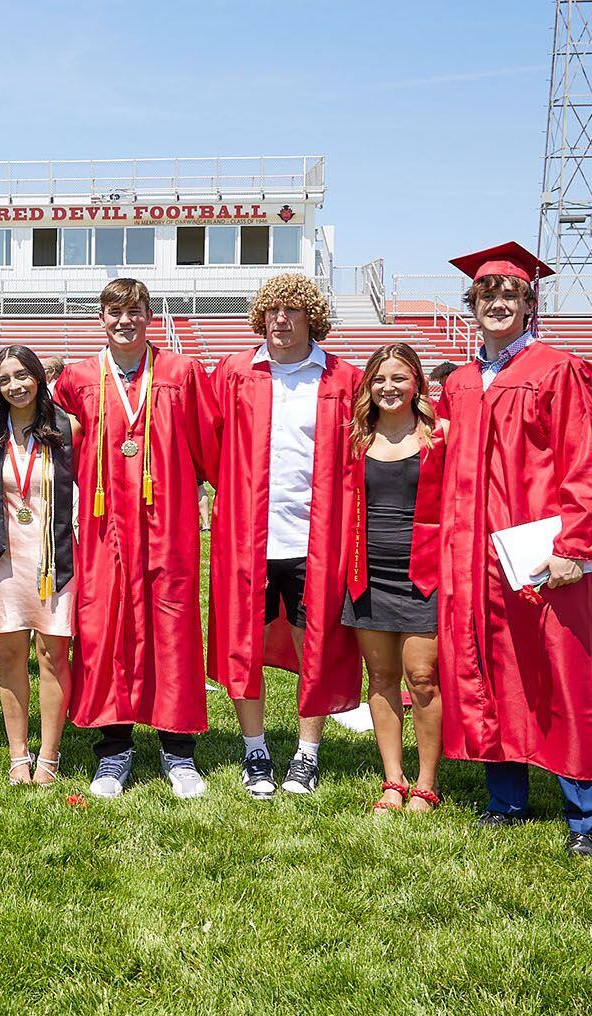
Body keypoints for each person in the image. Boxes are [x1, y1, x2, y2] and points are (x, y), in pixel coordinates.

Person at [438, 241, 592, 858]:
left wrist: (574, 546)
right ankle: (506, 799)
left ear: (529, 305)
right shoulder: (462, 383)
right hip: (478, 557)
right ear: (472, 306)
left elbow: (589, 467)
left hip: (546, 555)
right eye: (486, 295)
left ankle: (585, 816)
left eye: (510, 295)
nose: (497, 303)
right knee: (494, 668)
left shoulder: (560, 371)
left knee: (564, 672)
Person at [53, 278, 215, 799]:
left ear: (149, 315)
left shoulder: (180, 373)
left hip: (169, 527)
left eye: (135, 311)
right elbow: (52, 449)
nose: (124, 320)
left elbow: (211, 445)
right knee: (104, 630)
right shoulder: (78, 378)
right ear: (101, 318)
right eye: (114, 312)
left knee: (173, 630)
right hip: (104, 529)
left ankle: (178, 751)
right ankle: (114, 749)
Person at [207, 273, 363, 799]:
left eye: (292, 311)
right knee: (242, 646)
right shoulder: (235, 372)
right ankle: (255, 749)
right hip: (246, 539)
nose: (280, 319)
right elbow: (208, 444)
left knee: (312, 643)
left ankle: (306, 753)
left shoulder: (343, 379)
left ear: (311, 319)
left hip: (313, 541)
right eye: (272, 311)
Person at [340, 343, 443, 814]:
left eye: (399, 378)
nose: (389, 388)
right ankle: (392, 780)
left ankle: (426, 781)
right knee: (380, 677)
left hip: (425, 573)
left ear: (417, 381)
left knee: (422, 678)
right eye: (379, 380)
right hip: (368, 573)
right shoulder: (356, 438)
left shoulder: (439, 436)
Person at [0, 345, 75, 786]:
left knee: (52, 654)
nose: (15, 386)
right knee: (11, 655)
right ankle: (19, 753)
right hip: (6, 557)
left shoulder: (68, 428)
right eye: (5, 379)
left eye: (22, 376)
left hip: (54, 554)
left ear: (38, 378)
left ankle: (50, 757)